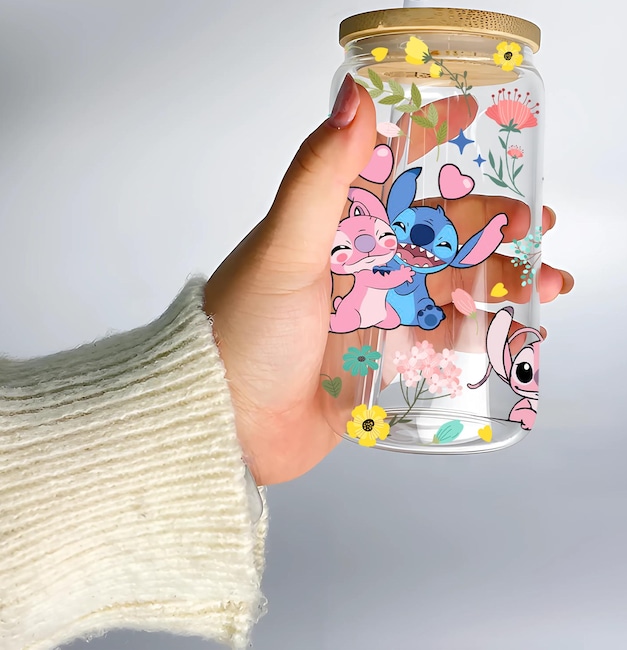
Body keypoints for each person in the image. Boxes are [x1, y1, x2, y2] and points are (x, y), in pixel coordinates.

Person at [0, 77, 573, 650]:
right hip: (362, 323)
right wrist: (238, 413)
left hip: (398, 326)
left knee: (484, 292)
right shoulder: (372, 243)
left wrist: (232, 409)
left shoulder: (515, 84)